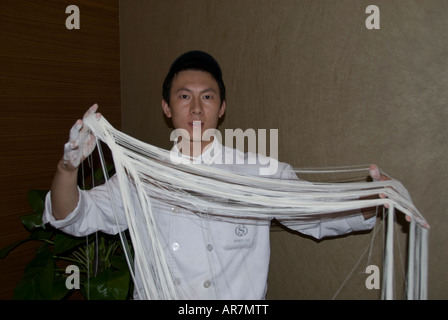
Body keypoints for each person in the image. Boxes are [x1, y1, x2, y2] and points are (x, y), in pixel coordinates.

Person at [43, 50, 385, 299]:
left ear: (221, 108)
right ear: (166, 107)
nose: (195, 108)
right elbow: (73, 216)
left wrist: (372, 200)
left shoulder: (260, 172)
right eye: (183, 96)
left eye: (207, 97)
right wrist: (67, 168)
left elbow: (315, 215)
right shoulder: (141, 176)